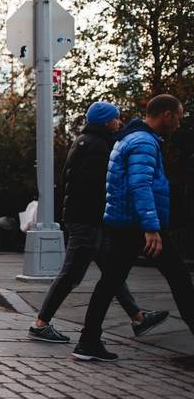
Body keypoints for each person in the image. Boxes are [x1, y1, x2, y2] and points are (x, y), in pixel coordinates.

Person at [28, 102, 168, 343]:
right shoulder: (98, 146)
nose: (120, 121)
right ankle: (40, 324)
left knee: (112, 272)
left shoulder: (85, 141)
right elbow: (96, 187)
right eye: (116, 118)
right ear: (106, 121)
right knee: (71, 275)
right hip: (87, 221)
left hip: (85, 219)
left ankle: (137, 317)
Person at [74, 95, 194, 361]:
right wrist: (151, 228)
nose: (179, 121)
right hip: (139, 225)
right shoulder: (143, 142)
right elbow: (140, 186)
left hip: (125, 222)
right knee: (180, 278)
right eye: (178, 115)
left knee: (111, 282)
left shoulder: (130, 138)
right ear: (166, 115)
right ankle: (87, 341)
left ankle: (88, 341)